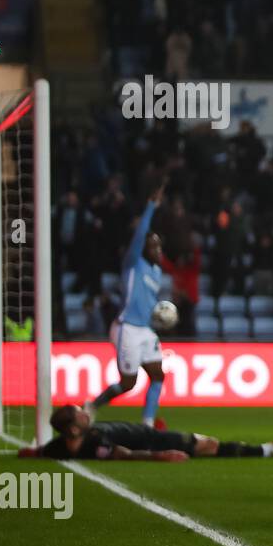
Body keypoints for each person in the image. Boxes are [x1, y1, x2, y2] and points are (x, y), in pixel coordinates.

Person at [84, 181, 169, 427]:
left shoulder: (155, 272)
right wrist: (151, 207)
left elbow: (149, 301)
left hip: (146, 329)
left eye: (159, 245)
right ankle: (92, 405)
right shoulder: (133, 264)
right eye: (154, 245)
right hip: (127, 328)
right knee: (128, 383)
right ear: (143, 249)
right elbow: (140, 234)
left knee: (157, 375)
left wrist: (160, 315)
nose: (158, 249)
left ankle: (148, 423)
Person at [28, 405, 273, 461]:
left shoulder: (60, 445)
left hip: (145, 431)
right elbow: (122, 454)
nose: (85, 412)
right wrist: (160, 455)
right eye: (80, 413)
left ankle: (265, 450)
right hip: (153, 440)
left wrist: (29, 452)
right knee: (210, 444)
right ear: (73, 428)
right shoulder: (94, 442)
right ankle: (266, 451)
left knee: (206, 443)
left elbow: (40, 451)